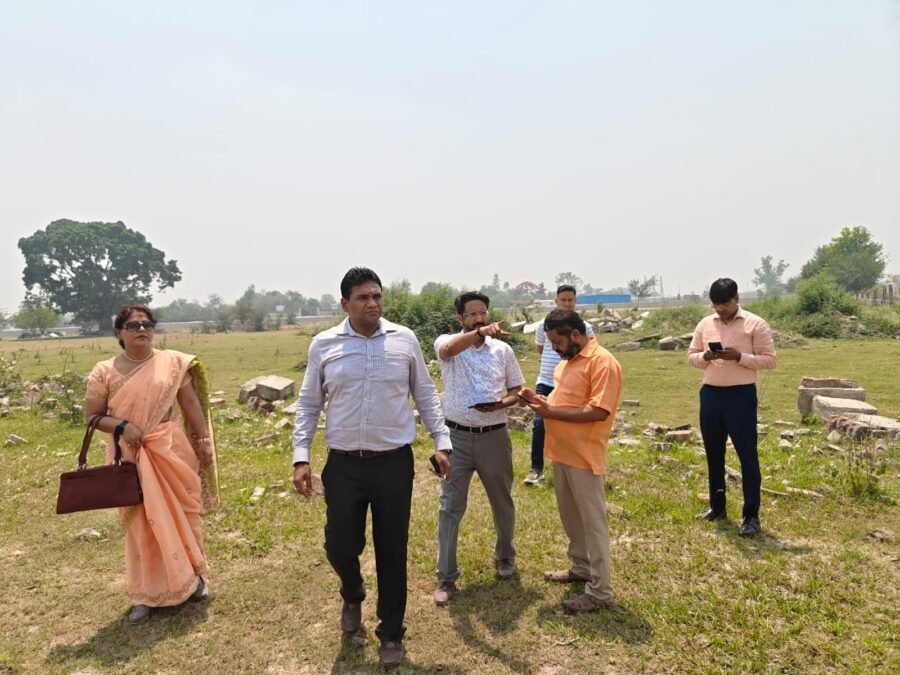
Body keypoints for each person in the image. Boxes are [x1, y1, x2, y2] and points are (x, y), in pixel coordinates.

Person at [291, 267, 451, 669]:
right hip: (343, 465)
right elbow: (309, 403)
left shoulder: (404, 340)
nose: (372, 303)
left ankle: (391, 633)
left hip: (393, 464)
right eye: (362, 298)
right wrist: (301, 456)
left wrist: (442, 442)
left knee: (392, 549)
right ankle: (352, 591)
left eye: (377, 296)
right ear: (345, 303)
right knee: (339, 545)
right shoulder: (324, 344)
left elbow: (425, 394)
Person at [84, 304, 219, 624]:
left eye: (147, 324)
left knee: (182, 516)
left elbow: (190, 404)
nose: (141, 330)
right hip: (129, 458)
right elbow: (92, 417)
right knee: (141, 525)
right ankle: (146, 594)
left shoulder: (173, 363)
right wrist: (122, 427)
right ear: (119, 332)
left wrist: (203, 440)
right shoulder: (103, 371)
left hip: (171, 451)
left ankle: (194, 579)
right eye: (133, 326)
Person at [519, 308, 622, 613]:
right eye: (551, 341)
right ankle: (581, 567)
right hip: (561, 453)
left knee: (593, 524)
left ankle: (600, 591)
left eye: (557, 341)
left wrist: (551, 412)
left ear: (576, 334)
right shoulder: (567, 362)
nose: (553, 348)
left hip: (584, 455)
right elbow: (561, 402)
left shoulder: (603, 362)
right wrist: (537, 401)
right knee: (572, 519)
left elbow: (599, 411)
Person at [432, 292, 525, 606]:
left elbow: (517, 389)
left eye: (482, 313)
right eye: (471, 314)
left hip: (494, 436)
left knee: (502, 500)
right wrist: (479, 333)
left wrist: (502, 403)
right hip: (456, 438)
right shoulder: (448, 343)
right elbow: (447, 350)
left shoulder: (502, 350)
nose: (478, 318)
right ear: (460, 318)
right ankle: (446, 576)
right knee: (450, 506)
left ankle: (505, 555)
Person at [688, 278, 776, 537]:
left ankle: (751, 516)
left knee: (747, 456)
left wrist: (739, 357)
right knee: (713, 453)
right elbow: (691, 355)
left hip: (741, 396)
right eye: (716, 305)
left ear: (736, 298)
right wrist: (705, 356)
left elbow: (769, 360)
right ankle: (717, 507)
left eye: (725, 304)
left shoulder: (755, 324)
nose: (721, 310)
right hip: (711, 395)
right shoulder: (706, 324)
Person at [525, 285, 594, 487]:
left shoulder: (585, 328)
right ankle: (536, 470)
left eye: (570, 300)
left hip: (572, 384)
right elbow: (541, 348)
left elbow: (587, 353)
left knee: (571, 422)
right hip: (547, 381)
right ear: (556, 301)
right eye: (563, 300)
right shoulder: (543, 325)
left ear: (575, 302)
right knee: (540, 423)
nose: (567, 303)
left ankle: (577, 467)